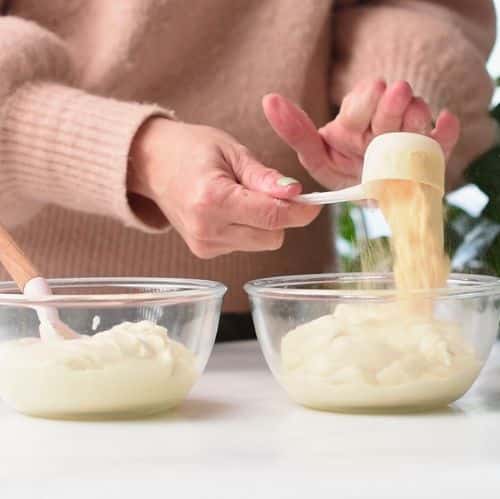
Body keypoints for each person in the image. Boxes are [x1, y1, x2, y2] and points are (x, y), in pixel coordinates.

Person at [0, 1, 496, 340]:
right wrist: (137, 154)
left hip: (280, 325)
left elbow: (426, 6)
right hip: (30, 320)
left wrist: (387, 103)